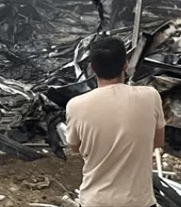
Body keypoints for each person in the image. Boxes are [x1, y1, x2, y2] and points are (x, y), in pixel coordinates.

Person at [65, 35, 166, 207]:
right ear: (125, 65)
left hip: (96, 201)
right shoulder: (150, 97)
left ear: (92, 68)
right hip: (139, 202)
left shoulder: (76, 106)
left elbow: (75, 148)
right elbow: (158, 141)